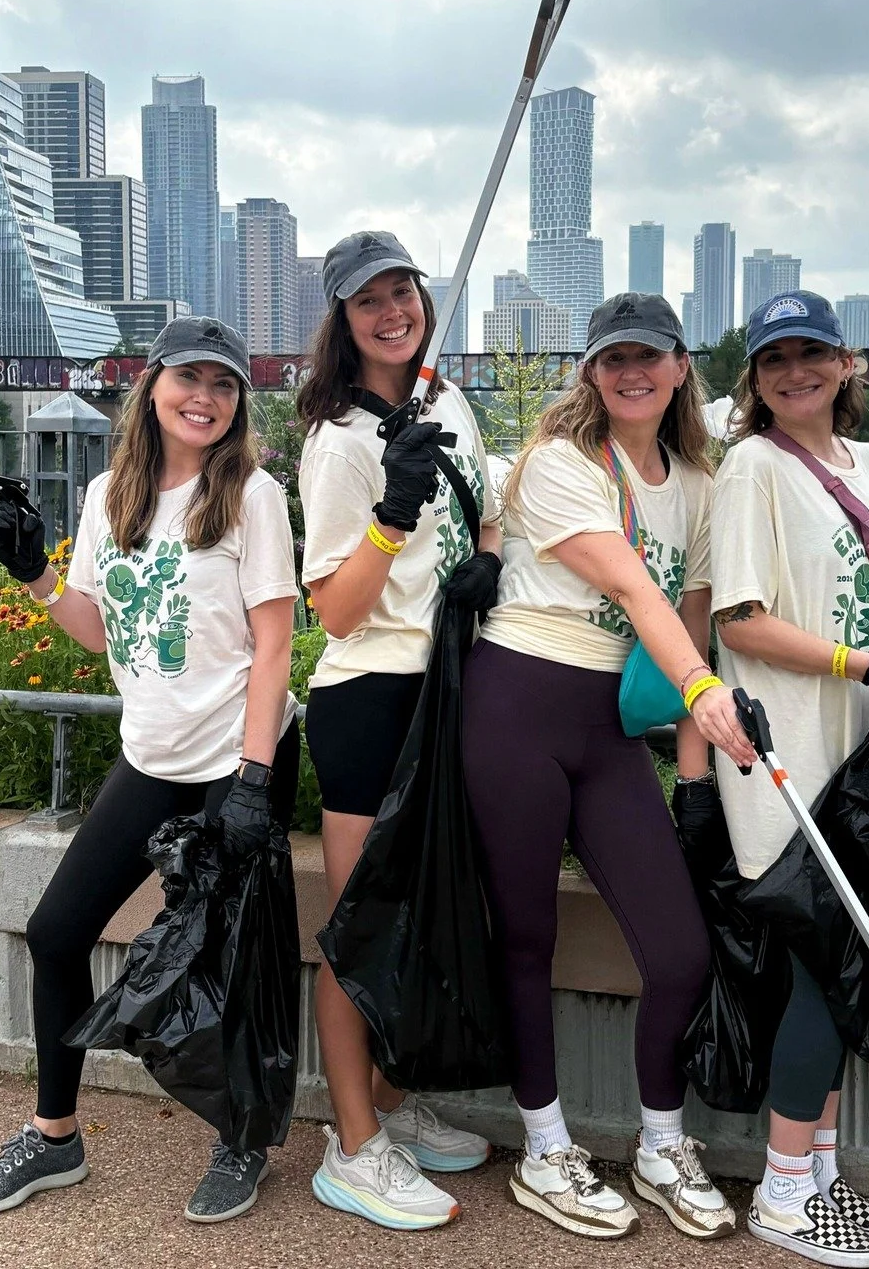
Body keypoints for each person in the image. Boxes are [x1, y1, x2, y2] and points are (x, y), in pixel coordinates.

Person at [0, 317, 301, 1224]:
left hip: (237, 756)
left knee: (234, 962)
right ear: (150, 387)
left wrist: (255, 781)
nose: (207, 399)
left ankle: (243, 1142)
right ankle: (54, 1136)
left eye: (225, 386)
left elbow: (274, 651)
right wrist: (33, 576)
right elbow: (103, 631)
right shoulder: (112, 494)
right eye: (189, 379)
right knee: (57, 932)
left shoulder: (251, 496)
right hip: (149, 756)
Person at [460, 292, 756, 1242]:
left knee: (680, 951)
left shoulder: (701, 487)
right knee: (526, 938)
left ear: (680, 368)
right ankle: (545, 1150)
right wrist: (705, 682)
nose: (632, 373)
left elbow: (694, 615)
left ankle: (662, 1143)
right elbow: (630, 582)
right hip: (519, 702)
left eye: (651, 357)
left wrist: (696, 773)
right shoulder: (558, 464)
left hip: (610, 729)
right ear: (591, 372)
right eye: (612, 358)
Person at [711, 290, 869, 1266]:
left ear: (847, 366)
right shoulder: (751, 468)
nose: (794, 372)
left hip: (867, 757)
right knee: (818, 972)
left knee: (854, 974)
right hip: (787, 755)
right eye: (774, 361)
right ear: (756, 382)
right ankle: (785, 1193)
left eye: (813, 354)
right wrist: (864, 669)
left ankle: (824, 1177)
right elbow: (740, 620)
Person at [297, 231, 500, 1231]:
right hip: (371, 699)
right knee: (358, 933)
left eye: (402, 291)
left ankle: (387, 1102)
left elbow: (490, 512)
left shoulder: (446, 400)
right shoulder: (337, 441)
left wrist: (486, 563)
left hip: (446, 689)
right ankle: (354, 1146)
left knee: (412, 922)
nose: (391, 311)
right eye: (367, 299)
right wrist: (390, 514)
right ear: (341, 319)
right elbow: (333, 611)